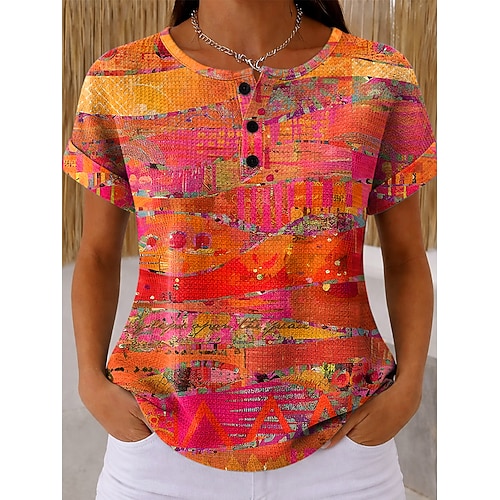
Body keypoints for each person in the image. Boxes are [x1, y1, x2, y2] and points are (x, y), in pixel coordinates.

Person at [63, 0, 436, 498]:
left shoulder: (377, 75)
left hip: (344, 450)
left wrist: (409, 389)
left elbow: (406, 255)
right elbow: (96, 254)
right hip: (159, 448)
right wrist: (90, 383)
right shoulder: (121, 77)